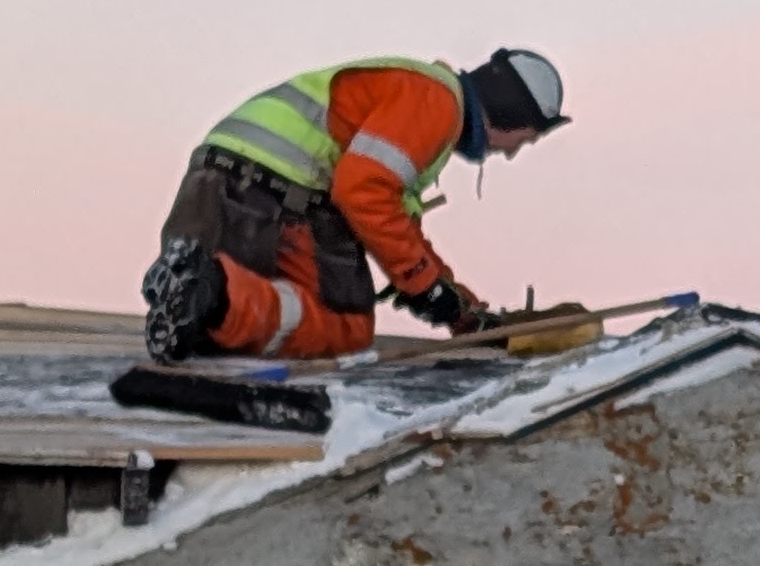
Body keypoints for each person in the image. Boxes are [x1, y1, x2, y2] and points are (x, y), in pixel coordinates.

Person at [141, 49, 565, 363]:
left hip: (216, 186)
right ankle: (209, 287)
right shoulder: (437, 104)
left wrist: (459, 310)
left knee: (222, 332)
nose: (511, 154)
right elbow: (364, 192)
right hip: (273, 194)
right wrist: (424, 287)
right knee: (344, 327)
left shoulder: (418, 96)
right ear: (511, 112)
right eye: (524, 139)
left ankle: (199, 285)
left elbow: (400, 231)